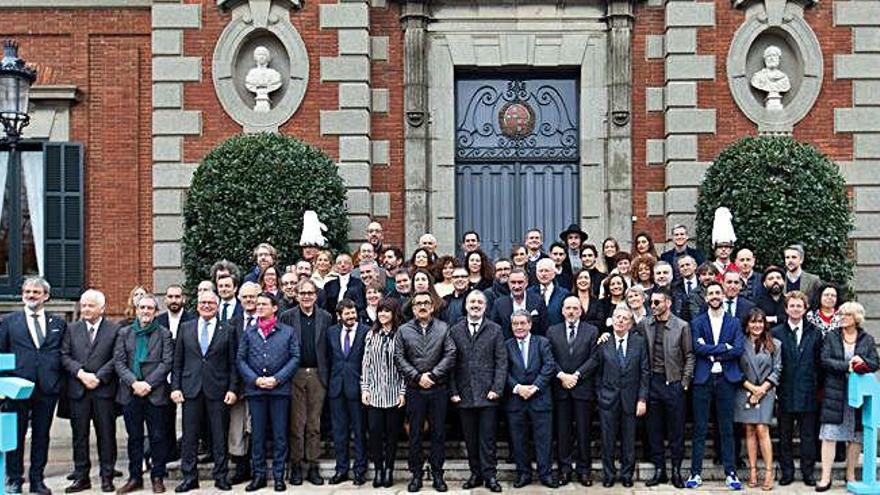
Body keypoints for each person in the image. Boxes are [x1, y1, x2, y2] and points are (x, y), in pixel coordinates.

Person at [0, 277, 65, 495]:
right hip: (17, 388)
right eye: (27, 291)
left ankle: (38, 479)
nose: (31, 295)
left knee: (41, 435)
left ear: (46, 296)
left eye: (36, 292)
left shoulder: (57, 323)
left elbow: (61, 355)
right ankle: (14, 478)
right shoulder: (9, 322)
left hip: (47, 389)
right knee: (15, 436)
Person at [170, 290, 239, 492]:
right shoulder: (186, 328)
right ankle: (189, 477)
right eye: (203, 302)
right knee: (189, 437)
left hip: (218, 390)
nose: (206, 305)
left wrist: (233, 389)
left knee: (219, 436)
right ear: (197, 305)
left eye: (211, 302)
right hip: (191, 390)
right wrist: (175, 387)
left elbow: (233, 363)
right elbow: (177, 362)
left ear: (217, 306)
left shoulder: (227, 329)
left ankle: (221, 476)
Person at [236, 292, 300, 492]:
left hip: (279, 391)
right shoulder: (249, 332)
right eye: (258, 304)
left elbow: (295, 357)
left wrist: (277, 379)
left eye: (264, 304)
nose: (260, 307)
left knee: (280, 434)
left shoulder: (287, 332)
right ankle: (259, 476)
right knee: (257, 435)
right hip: (256, 391)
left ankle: (279, 476)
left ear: (274, 308)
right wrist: (255, 379)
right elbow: (240, 359)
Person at [393, 291, 456, 492]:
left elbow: (450, 353)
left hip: (438, 389)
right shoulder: (403, 330)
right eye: (418, 303)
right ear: (412, 308)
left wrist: (433, 375)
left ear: (432, 306)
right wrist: (418, 376)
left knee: (438, 433)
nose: (422, 306)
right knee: (415, 435)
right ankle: (416, 475)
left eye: (426, 303)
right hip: (414, 389)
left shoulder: (443, 328)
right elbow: (398, 356)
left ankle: (438, 474)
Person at [816, 301, 880, 491]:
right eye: (841, 314)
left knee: (856, 435)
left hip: (859, 393)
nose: (842, 317)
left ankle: (850, 474)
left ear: (856, 318)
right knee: (829, 434)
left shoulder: (866, 339)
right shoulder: (831, 336)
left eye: (846, 315)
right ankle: (825, 477)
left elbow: (875, 363)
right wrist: (847, 367)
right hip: (835, 392)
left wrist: (863, 361)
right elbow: (824, 360)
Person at [687, 281, 745, 490]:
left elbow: (738, 349)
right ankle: (695, 472)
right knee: (700, 428)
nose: (714, 296)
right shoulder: (697, 322)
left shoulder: (734, 322)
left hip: (726, 380)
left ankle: (731, 473)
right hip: (703, 379)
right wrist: (723, 348)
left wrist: (710, 349)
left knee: (727, 428)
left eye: (717, 293)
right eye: (710, 293)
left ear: (723, 296)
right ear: (705, 297)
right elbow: (696, 348)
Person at [113, 293, 173, 495]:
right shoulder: (124, 333)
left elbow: (166, 362)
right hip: (131, 394)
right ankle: (135, 477)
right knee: (134, 438)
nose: (146, 311)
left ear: (156, 312)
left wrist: (148, 383)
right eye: (142, 308)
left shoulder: (164, 334)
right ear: (136, 310)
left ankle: (157, 476)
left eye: (150, 308)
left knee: (157, 437)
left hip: (155, 393)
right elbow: (119, 363)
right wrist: (134, 383)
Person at [60, 289, 119, 494]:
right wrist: (81, 374)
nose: (85, 309)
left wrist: (99, 377)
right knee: (79, 436)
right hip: (78, 391)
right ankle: (81, 477)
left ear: (101, 308)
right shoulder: (71, 329)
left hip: (104, 392)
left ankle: (107, 476)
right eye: (83, 305)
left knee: (106, 435)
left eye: (90, 305)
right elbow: (64, 356)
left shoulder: (114, 330)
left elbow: (116, 358)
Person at [449, 291, 507, 493]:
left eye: (480, 302)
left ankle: (490, 475)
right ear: (465, 305)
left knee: (488, 439)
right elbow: (451, 363)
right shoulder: (455, 330)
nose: (475, 305)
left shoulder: (495, 329)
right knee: (470, 439)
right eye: (472, 301)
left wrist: (496, 389)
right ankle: (476, 474)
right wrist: (453, 390)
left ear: (485, 306)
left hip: (488, 395)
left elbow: (501, 362)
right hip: (464, 395)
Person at [586, 306, 648, 488]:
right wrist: (600, 394)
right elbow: (597, 371)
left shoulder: (639, 342)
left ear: (630, 323)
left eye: (625, 318)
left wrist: (642, 399)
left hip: (631, 399)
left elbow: (645, 372)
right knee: (608, 440)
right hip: (608, 399)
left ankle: (627, 474)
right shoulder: (603, 341)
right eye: (617, 317)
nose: (621, 321)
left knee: (629, 440)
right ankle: (609, 474)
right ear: (612, 320)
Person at [279, 279, 332, 486]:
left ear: (316, 295)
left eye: (310, 293)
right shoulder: (287, 317)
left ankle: (313, 465)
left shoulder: (326, 317)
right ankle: (296, 465)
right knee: (296, 423)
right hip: (295, 374)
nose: (307, 296)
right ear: (297, 295)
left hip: (318, 374)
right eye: (303, 293)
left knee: (314, 423)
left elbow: (328, 348)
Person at [641, 288, 694, 489]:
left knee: (676, 431)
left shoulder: (682, 326)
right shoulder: (645, 324)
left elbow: (689, 355)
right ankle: (659, 470)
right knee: (654, 430)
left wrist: (684, 382)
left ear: (668, 303)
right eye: (651, 303)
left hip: (673, 384)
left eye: (657, 302)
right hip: (652, 383)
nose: (653, 306)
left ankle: (676, 471)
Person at [547, 296, 599, 487]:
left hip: (582, 389)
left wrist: (576, 375)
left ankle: (584, 470)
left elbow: (594, 358)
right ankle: (565, 469)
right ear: (562, 311)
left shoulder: (592, 331)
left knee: (584, 432)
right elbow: (549, 357)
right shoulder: (552, 331)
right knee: (563, 432)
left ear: (580, 311)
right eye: (567, 308)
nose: (571, 312)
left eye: (575, 308)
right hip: (560, 389)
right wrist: (562, 375)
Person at [772, 290, 821, 487]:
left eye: (799, 306)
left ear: (805, 308)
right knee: (784, 435)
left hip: (808, 391)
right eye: (791, 305)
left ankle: (808, 472)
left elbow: (819, 362)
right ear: (786, 308)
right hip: (784, 390)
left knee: (808, 435)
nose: (795, 309)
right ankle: (787, 472)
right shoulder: (776, 333)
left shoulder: (815, 332)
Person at [505, 310, 558, 489]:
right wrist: (518, 388)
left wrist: (535, 387)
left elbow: (549, 366)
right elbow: (503, 370)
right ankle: (523, 474)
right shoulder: (506, 345)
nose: (519, 327)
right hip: (516, 400)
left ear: (530, 324)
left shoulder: (542, 342)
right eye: (515, 324)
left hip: (540, 398)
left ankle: (546, 474)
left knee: (544, 439)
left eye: (522, 323)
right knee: (518, 440)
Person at [361, 298, 406, 488]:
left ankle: (389, 469)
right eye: (380, 311)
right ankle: (378, 469)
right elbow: (366, 364)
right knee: (376, 433)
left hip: (395, 392)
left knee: (392, 435)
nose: (383, 314)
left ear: (394, 313)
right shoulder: (372, 335)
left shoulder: (401, 335)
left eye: (387, 311)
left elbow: (405, 366)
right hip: (375, 393)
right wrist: (365, 388)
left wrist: (403, 391)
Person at [735, 308, 781, 491]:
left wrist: (761, 390)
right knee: (749, 429)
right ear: (747, 325)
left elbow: (778, 369)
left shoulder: (775, 344)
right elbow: (735, 370)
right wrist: (752, 388)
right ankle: (753, 471)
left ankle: (769, 471)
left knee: (762, 428)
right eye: (753, 322)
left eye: (760, 322)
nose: (757, 325)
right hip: (745, 390)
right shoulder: (739, 344)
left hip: (766, 391)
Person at [326, 299, 369, 486]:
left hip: (358, 389)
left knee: (359, 431)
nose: (351, 316)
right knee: (339, 432)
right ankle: (341, 469)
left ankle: (360, 470)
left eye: (353, 313)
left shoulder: (366, 332)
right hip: (336, 389)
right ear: (339, 316)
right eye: (347, 313)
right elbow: (327, 359)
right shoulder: (331, 333)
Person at [225, 282, 261, 485]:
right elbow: (230, 357)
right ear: (239, 299)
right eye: (245, 297)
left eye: (252, 297)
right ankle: (241, 468)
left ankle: (257, 469)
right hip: (238, 384)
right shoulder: (232, 323)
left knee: (255, 427)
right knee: (237, 429)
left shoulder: (266, 320)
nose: (249, 300)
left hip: (260, 384)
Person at [490, 268, 547, 339]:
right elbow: (494, 331)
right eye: (513, 282)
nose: (516, 286)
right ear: (508, 283)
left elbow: (544, 329)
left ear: (526, 283)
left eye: (520, 282)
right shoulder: (499, 304)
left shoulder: (538, 301)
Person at [529, 258, 570, 329]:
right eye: (540, 271)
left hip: (556, 335)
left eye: (547, 271)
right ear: (536, 273)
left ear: (554, 274)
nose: (543, 274)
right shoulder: (529, 292)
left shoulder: (564, 294)